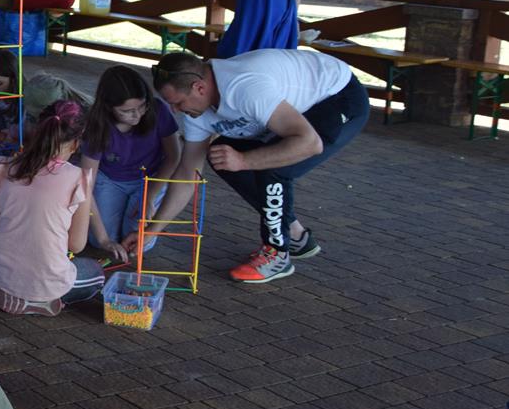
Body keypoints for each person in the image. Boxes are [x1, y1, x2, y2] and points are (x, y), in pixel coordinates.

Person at [140, 50, 368, 284]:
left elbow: (309, 143)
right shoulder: (197, 110)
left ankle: (277, 255)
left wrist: (244, 161)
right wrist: (151, 231)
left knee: (272, 164)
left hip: (336, 96)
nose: (175, 111)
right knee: (222, 156)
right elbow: (188, 173)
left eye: (177, 103)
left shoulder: (245, 88)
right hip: (292, 108)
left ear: (199, 87)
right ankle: (296, 236)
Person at [0, 101, 104, 317]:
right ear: (75, 144)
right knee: (96, 274)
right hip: (49, 277)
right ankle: (40, 299)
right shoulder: (79, 178)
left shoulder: (5, 168)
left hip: (4, 272)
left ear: (38, 132)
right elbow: (76, 244)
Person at [79, 65, 182, 262]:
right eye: (127, 111)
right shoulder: (97, 124)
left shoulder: (158, 109)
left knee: (141, 241)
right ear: (108, 107)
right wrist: (103, 240)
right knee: (97, 239)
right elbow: (85, 183)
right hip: (109, 179)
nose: (137, 115)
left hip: (149, 179)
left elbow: (174, 157)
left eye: (142, 106)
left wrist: (150, 195)